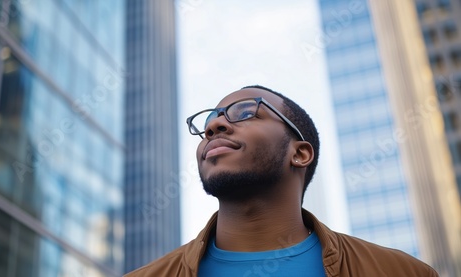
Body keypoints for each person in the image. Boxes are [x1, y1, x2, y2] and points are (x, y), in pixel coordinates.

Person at [125, 85, 439, 277]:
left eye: (245, 112)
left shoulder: (402, 272)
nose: (215, 125)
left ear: (300, 154)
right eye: (208, 122)